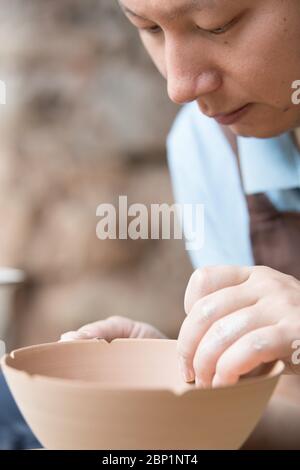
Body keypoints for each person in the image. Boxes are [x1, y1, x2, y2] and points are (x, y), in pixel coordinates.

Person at [1, 0, 300, 449]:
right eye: (150, 29)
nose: (179, 86)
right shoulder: (208, 147)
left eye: (218, 26)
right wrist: (180, 401)